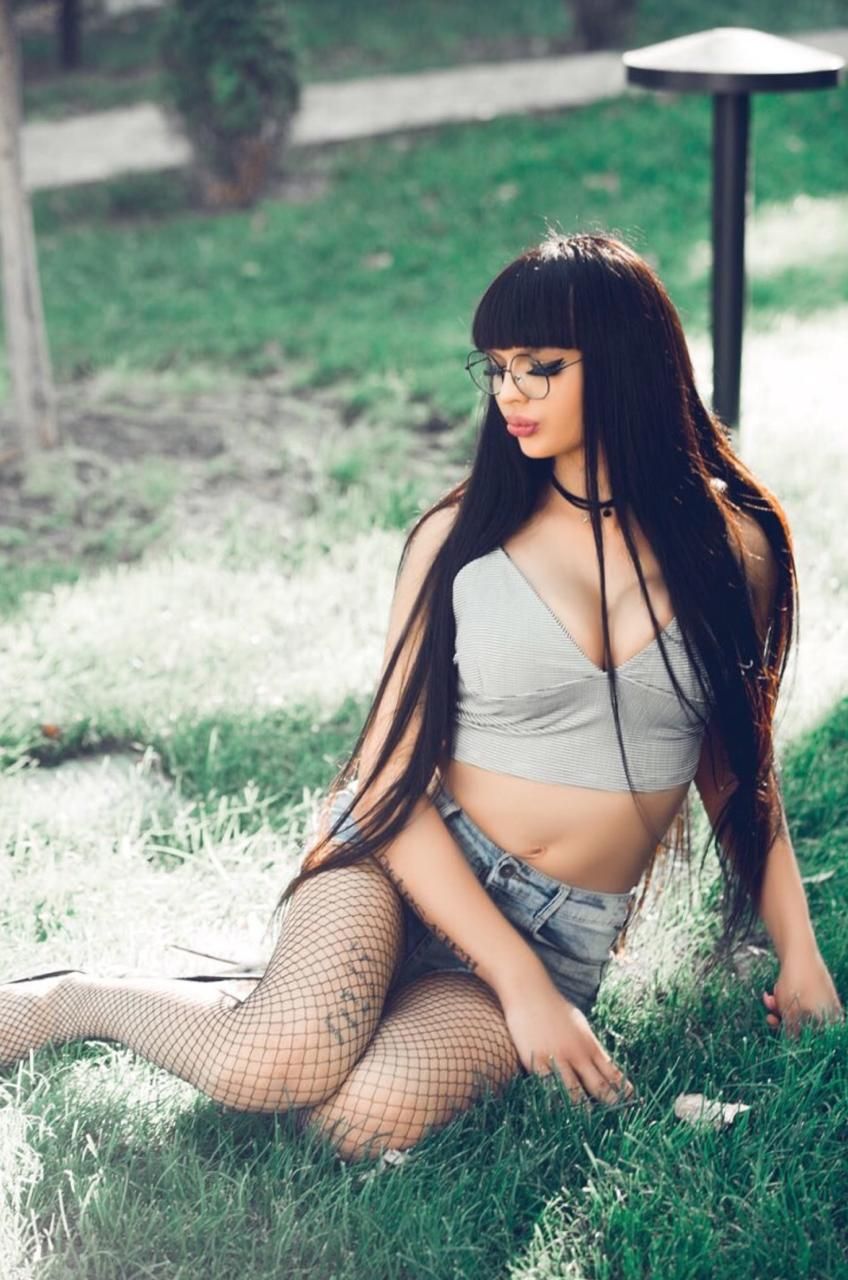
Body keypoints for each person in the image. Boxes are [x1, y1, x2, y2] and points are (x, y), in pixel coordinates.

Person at [1, 231, 842, 1164]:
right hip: (405, 860)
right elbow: (387, 780)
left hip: (563, 926)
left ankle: (311, 998)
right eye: (497, 368)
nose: (509, 393)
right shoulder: (460, 540)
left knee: (361, 1120)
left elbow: (736, 765)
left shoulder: (736, 546)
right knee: (276, 1060)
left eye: (539, 366)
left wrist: (799, 954)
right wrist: (522, 988)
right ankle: (75, 1000)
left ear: (625, 360)